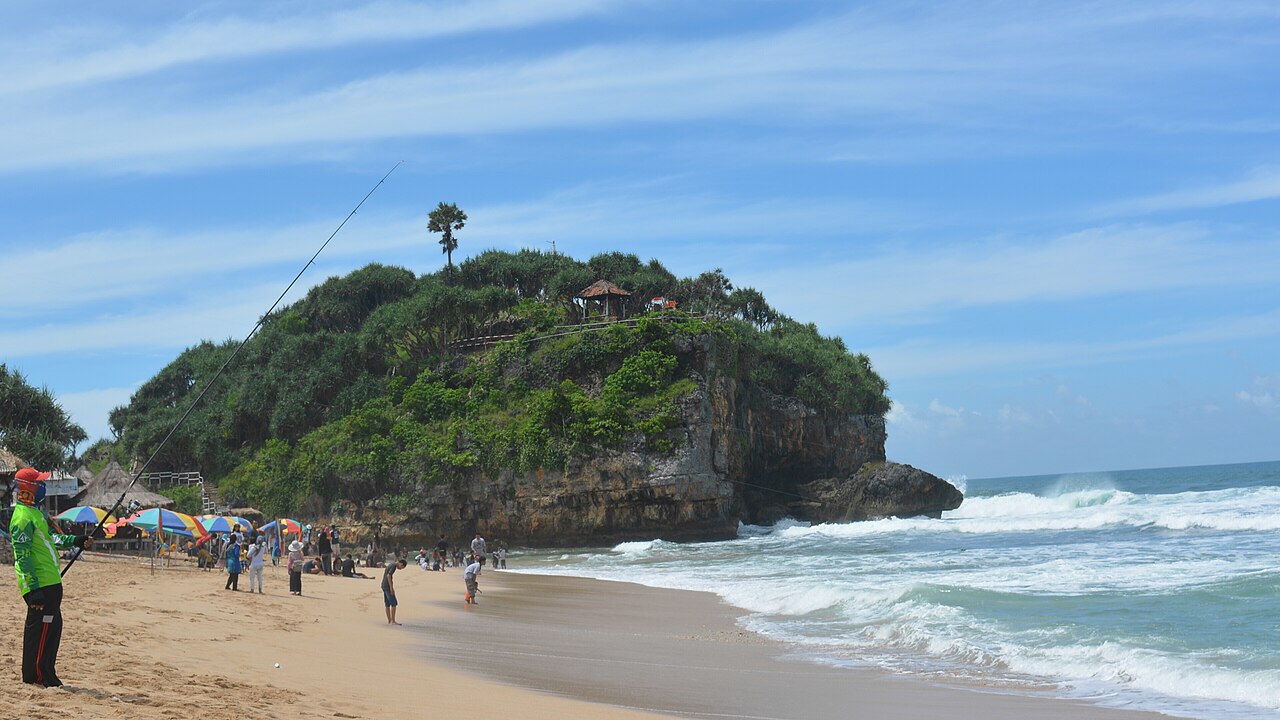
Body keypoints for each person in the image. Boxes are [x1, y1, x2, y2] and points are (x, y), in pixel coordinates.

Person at [9, 467, 92, 687]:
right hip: (40, 586)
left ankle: (47, 674)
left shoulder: (36, 512)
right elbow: (23, 557)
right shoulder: (21, 518)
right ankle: (35, 676)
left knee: (52, 629)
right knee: (41, 630)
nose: (44, 486)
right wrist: (34, 590)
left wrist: (75, 541)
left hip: (52, 581)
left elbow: (50, 539)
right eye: (39, 483)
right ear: (28, 487)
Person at [382, 557, 408, 625]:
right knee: (394, 603)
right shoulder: (394, 566)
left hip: (384, 585)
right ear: (401, 564)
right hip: (387, 586)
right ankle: (393, 621)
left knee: (387, 604)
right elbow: (388, 576)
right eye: (401, 567)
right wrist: (391, 588)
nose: (400, 569)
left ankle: (389, 620)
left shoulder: (391, 564)